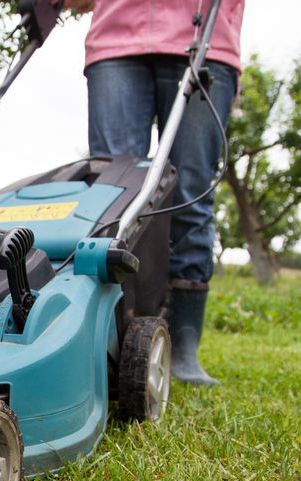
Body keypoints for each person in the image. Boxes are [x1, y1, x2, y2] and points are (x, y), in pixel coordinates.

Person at [66, 0, 245, 385]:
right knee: (112, 198)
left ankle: (182, 348)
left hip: (205, 39)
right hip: (117, 39)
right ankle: (108, 339)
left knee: (190, 196)